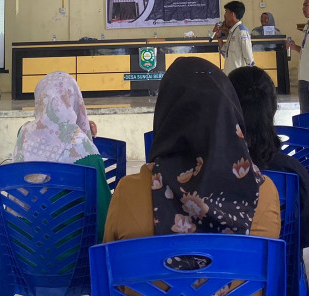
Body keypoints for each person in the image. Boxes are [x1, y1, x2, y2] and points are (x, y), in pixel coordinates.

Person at [103, 56, 280, 241]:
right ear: (229, 113)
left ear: (165, 112)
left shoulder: (128, 194)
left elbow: (108, 266)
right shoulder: (263, 195)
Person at [229, 65, 309, 248]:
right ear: (272, 109)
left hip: (226, 274)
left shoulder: (206, 171)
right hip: (281, 272)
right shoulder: (293, 171)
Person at [13, 71, 111, 240]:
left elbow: (52, 133)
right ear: (74, 100)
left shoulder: (23, 135)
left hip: (22, 252)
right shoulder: (84, 151)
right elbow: (104, 220)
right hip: (71, 260)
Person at [212, 0, 254, 75]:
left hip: (239, 76)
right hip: (229, 75)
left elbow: (249, 59)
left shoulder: (242, 31)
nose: (224, 15)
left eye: (226, 12)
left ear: (233, 14)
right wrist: (219, 38)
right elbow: (225, 53)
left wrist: (248, 77)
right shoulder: (232, 32)